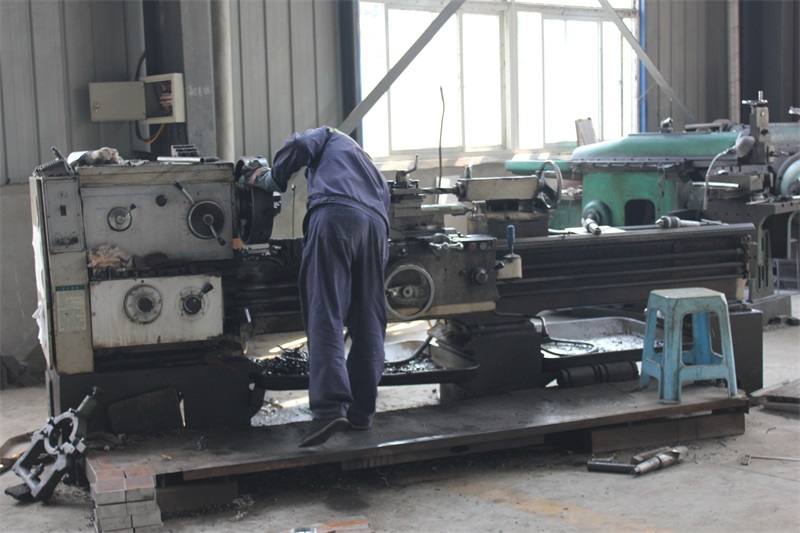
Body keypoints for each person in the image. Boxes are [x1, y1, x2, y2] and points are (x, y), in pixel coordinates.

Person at [245, 126, 390, 447]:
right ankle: (361, 412)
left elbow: (300, 144)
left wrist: (271, 179)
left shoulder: (328, 135)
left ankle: (329, 409)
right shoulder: (369, 167)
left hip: (335, 217)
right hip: (377, 229)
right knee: (369, 319)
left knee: (325, 311)